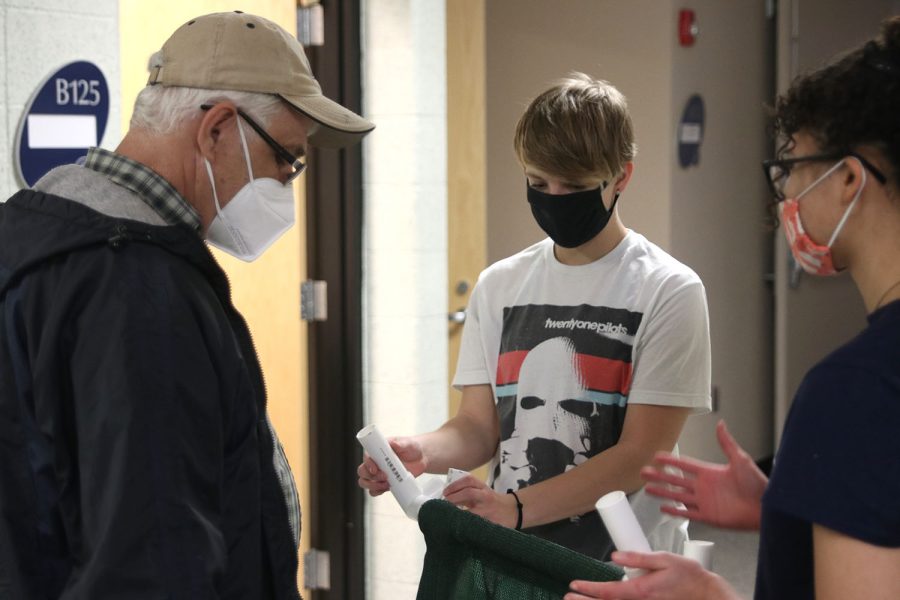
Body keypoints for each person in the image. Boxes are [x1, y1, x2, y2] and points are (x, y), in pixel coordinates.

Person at [0, 11, 373, 599]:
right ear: (218, 129)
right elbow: (151, 559)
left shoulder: (30, 236)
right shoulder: (140, 293)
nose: (286, 183)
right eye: (287, 160)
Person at [567, 16, 900, 600]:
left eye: (792, 165)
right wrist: (790, 507)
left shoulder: (858, 392)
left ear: (850, 178)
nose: (787, 196)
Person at [358, 73, 712, 560]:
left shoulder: (669, 290)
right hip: (517, 561)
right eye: (537, 183)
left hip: (627, 569)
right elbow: (480, 429)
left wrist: (517, 506)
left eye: (575, 185)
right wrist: (423, 452)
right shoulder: (500, 285)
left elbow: (641, 455)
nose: (555, 198)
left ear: (621, 177)